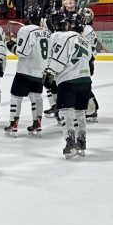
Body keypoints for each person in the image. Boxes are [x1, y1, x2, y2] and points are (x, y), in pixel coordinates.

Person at [46, 13, 92, 159]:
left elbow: (60, 57)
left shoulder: (66, 37)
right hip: (85, 79)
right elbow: (89, 58)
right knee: (80, 112)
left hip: (69, 80)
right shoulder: (84, 40)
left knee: (65, 112)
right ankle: (81, 141)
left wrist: (50, 72)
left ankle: (70, 141)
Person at [3, 7, 51, 137]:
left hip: (25, 71)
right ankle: (38, 122)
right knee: (36, 97)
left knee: (15, 96)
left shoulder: (26, 30)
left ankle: (13, 124)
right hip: (41, 71)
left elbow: (22, 52)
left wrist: (9, 45)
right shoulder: (47, 32)